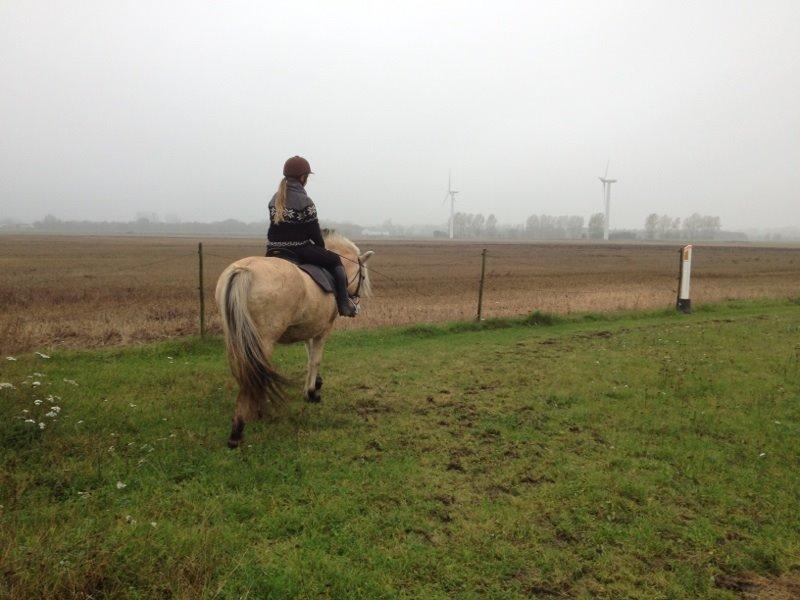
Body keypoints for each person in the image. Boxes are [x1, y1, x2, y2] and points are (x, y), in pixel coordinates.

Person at [265, 156, 358, 317]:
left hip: (273, 248)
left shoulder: (275, 198)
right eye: (307, 177)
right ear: (303, 177)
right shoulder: (305, 200)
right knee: (335, 260)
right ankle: (344, 304)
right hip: (299, 249)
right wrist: (322, 248)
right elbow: (314, 232)